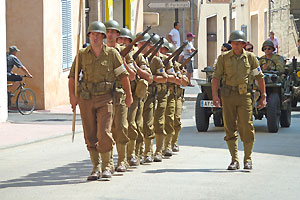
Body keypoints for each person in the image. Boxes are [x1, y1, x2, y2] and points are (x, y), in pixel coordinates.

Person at [68, 21, 132, 180]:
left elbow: (123, 76)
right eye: (92, 34)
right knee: (90, 134)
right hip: (86, 99)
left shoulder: (112, 54)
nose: (95, 38)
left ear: (103, 37)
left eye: (98, 35)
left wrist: (129, 95)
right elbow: (72, 77)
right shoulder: (82, 54)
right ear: (89, 36)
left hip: (105, 98)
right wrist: (72, 96)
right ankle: (95, 167)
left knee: (104, 132)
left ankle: (107, 166)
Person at [211, 30, 266, 170]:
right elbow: (216, 77)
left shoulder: (251, 58)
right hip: (228, 96)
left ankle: (248, 159)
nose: (236, 46)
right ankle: (234, 160)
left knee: (247, 126)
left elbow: (259, 77)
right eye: (234, 43)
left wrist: (263, 96)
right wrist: (215, 96)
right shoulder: (223, 58)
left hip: (245, 96)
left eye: (239, 43)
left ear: (243, 44)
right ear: (231, 44)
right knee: (229, 127)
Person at [105, 20, 135, 172]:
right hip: (103, 95)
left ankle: (122, 160)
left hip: (119, 94)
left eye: (113, 32)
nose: (110, 34)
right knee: (105, 130)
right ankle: (107, 163)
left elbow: (132, 76)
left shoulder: (124, 52)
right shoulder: (99, 51)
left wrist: (123, 62)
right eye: (107, 31)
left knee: (121, 127)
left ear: (118, 34)